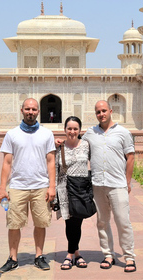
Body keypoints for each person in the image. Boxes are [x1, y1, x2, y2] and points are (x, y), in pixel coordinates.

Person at [0, 98, 56, 273]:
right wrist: (2, 188)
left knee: (41, 223)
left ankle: (39, 256)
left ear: (38, 112)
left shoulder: (46, 134)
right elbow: (7, 163)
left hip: (40, 186)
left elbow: (51, 161)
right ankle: (13, 258)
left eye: (34, 109)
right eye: (27, 109)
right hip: (17, 186)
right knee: (13, 223)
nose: (31, 112)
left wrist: (51, 186)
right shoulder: (12, 134)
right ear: (21, 110)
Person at [84, 100, 136, 273]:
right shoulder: (90, 133)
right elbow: (78, 147)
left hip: (117, 184)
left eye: (104, 111)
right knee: (102, 221)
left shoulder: (123, 132)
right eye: (98, 112)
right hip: (98, 183)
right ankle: (108, 254)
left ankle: (129, 257)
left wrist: (127, 182)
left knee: (123, 221)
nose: (101, 114)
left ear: (111, 111)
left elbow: (131, 157)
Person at [54, 116, 90, 270]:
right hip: (65, 189)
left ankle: (72, 253)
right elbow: (54, 169)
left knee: (77, 222)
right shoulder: (59, 147)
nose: (72, 131)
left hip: (81, 188)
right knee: (70, 222)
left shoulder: (87, 145)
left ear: (80, 130)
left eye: (75, 129)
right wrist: (52, 191)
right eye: (69, 128)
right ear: (64, 130)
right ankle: (74, 254)